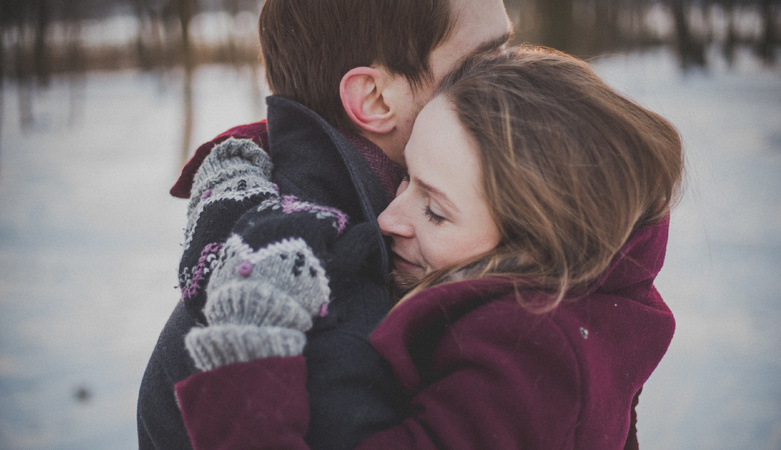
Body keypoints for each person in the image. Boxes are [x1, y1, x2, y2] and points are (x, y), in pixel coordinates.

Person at [173, 46, 684, 449]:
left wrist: (243, 362)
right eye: (405, 178)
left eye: (435, 211)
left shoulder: (529, 365)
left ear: (539, 243)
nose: (389, 219)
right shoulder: (571, 310)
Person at [137, 0, 513, 448]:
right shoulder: (329, 320)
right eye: (485, 61)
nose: (517, 80)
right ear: (374, 99)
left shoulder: (386, 247)